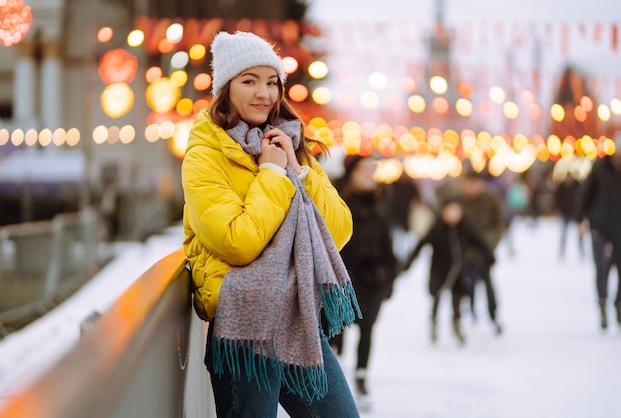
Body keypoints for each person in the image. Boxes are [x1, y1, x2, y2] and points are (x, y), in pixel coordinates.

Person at [181, 31, 362, 417]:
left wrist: (299, 170)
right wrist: (270, 173)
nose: (263, 92)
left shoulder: (286, 142)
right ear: (225, 89)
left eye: (271, 81)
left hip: (296, 319)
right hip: (244, 325)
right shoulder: (204, 156)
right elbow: (238, 242)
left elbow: (338, 232)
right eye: (249, 81)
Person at [329, 154, 400, 410]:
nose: (371, 174)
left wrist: (390, 273)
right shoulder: (336, 200)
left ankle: (361, 377)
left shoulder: (380, 201)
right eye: (364, 169)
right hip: (342, 279)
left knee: (367, 329)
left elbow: (386, 239)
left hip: (373, 280)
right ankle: (334, 385)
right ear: (351, 173)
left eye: (373, 169)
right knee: (336, 331)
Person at [404, 197, 495, 345]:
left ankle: (457, 325)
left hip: (459, 271)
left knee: (457, 299)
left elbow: (478, 241)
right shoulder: (437, 228)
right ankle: (434, 324)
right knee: (437, 298)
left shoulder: (464, 226)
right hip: (439, 271)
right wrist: (408, 263)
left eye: (456, 211)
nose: (453, 215)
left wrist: (489, 256)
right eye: (450, 211)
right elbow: (421, 244)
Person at [576, 133, 621, 330]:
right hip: (601, 226)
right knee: (601, 269)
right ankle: (602, 303)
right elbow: (585, 193)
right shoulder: (599, 168)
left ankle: (619, 304)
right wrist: (579, 220)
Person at [458, 169, 505, 335]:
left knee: (488, 285)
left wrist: (489, 243)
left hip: (484, 251)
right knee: (466, 283)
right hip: (465, 252)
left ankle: (493, 316)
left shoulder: (490, 199)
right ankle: (468, 311)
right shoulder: (459, 199)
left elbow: (499, 224)